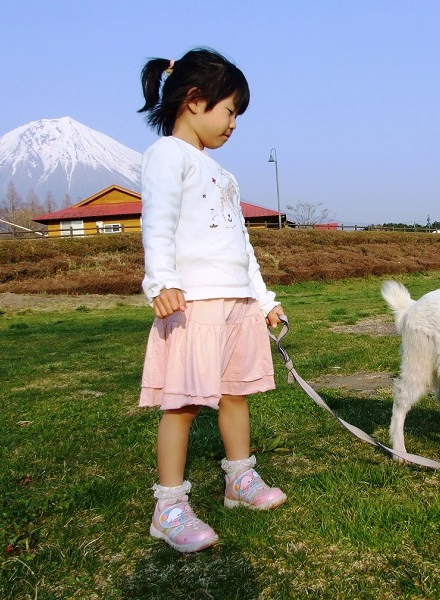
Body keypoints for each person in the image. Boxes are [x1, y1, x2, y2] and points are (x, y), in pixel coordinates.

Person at [137, 48, 287, 553]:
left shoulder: (223, 175)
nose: (233, 124)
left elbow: (242, 246)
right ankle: (170, 507)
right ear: (194, 101)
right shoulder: (166, 156)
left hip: (237, 304)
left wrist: (264, 299)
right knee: (181, 405)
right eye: (230, 110)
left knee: (234, 394)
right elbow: (155, 222)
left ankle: (238, 480)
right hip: (192, 305)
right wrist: (160, 282)